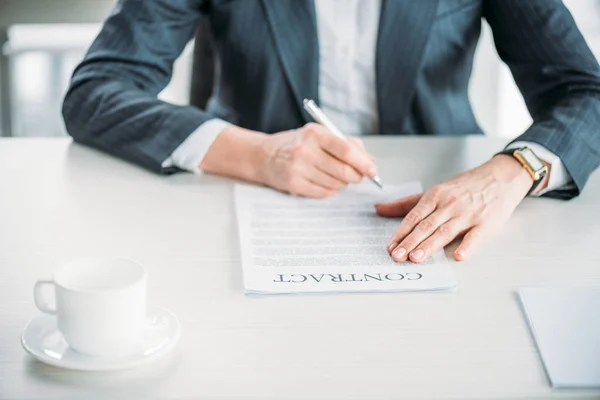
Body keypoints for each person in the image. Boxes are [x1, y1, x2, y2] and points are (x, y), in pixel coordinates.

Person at [63, 0, 600, 263]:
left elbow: (587, 91)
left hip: (449, 200)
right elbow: (96, 90)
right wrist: (253, 153)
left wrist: (511, 172)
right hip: (244, 210)